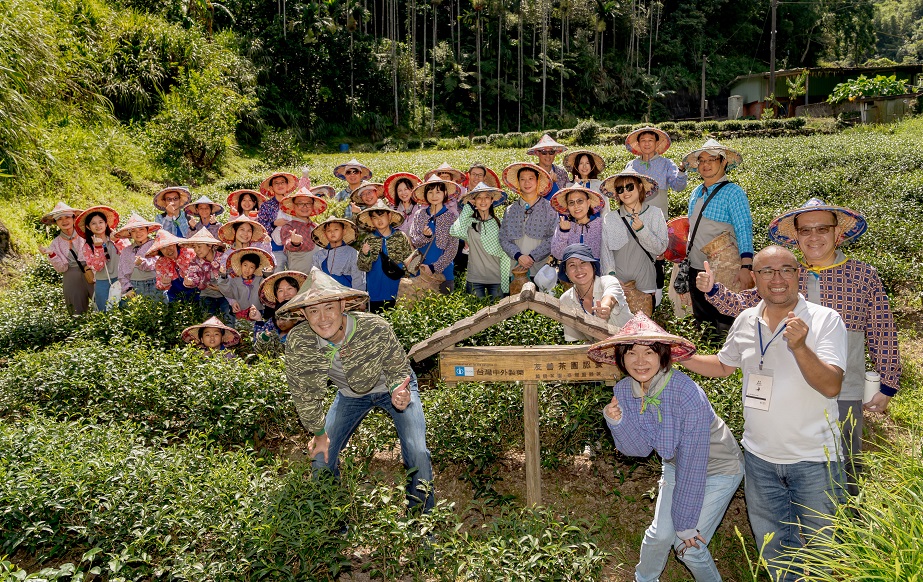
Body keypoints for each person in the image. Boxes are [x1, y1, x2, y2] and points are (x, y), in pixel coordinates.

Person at [698, 198, 901, 495]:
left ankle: (845, 533)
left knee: (844, 464)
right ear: (796, 237)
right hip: (789, 389)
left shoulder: (862, 275)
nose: (814, 236)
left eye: (822, 228)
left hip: (843, 389)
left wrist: (888, 384)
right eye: (805, 231)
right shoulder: (787, 274)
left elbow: (882, 329)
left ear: (837, 233)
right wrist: (713, 290)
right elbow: (744, 304)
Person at [682, 245, 847, 582]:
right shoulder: (745, 319)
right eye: (767, 271)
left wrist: (800, 347)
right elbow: (724, 365)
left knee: (823, 551)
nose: (777, 278)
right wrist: (678, 354)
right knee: (774, 551)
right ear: (753, 278)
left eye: (786, 269)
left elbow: (831, 385)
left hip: (816, 459)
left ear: (798, 273)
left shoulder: (824, 320)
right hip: (759, 459)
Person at [587, 313, 743, 582]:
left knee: (689, 547)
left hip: (719, 468)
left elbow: (693, 461)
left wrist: (685, 524)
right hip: (674, 465)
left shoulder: (687, 392)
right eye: (631, 353)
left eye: (649, 352)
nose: (640, 361)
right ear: (621, 358)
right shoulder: (625, 390)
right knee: (660, 535)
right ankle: (644, 579)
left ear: (663, 355)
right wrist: (617, 422)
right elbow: (639, 450)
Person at [282, 268, 434, 513]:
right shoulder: (300, 341)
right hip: (349, 395)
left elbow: (397, 367)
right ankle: (333, 522)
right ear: (302, 314)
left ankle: (423, 522)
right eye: (313, 310)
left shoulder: (374, 327)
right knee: (321, 458)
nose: (322, 318)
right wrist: (320, 434)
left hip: (390, 386)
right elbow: (305, 391)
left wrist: (399, 391)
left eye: (329, 307)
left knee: (417, 452)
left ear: (343, 304)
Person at [681, 139, 754, 334]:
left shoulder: (733, 192)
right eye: (701, 160)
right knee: (702, 319)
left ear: (723, 162)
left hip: (724, 269)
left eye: (711, 159)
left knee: (725, 317)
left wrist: (746, 266)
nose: (705, 164)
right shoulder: (696, 192)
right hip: (697, 266)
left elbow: (744, 228)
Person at [600, 168, 669, 316]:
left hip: (646, 283)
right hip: (619, 286)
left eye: (629, 186)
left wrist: (642, 230)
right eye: (620, 189)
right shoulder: (610, 218)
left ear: (640, 187)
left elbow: (660, 248)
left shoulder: (655, 214)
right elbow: (605, 251)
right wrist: (612, 278)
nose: (625, 192)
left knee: (644, 330)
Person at [557, 244, 632, 342]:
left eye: (583, 262)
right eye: (572, 265)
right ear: (566, 272)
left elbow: (610, 297)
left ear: (593, 266)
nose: (578, 269)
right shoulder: (565, 300)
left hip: (631, 347)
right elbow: (579, 339)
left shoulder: (608, 281)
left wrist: (605, 307)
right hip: (599, 352)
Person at [449, 182, 510, 299]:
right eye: (479, 198)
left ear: (492, 200)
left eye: (487, 197)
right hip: (475, 279)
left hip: (496, 279)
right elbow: (454, 231)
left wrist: (505, 284)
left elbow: (505, 255)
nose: (483, 201)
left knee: (498, 315)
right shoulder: (469, 222)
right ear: (474, 201)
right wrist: (468, 208)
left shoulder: (500, 223)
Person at [499, 162, 558, 279]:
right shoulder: (510, 210)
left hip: (541, 272)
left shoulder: (549, 208)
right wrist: (518, 256)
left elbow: (553, 237)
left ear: (537, 181)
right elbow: (503, 238)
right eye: (523, 179)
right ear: (518, 182)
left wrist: (532, 257)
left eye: (531, 178)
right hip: (516, 270)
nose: (527, 183)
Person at [356, 199, 413, 313]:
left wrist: (409, 284)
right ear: (371, 220)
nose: (379, 220)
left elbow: (410, 262)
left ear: (389, 215)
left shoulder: (400, 237)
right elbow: (363, 268)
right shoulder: (369, 239)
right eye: (375, 218)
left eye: (381, 215)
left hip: (398, 291)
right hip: (375, 292)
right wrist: (365, 254)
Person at [38, 202, 94, 314]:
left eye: (68, 217)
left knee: (104, 304)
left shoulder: (87, 234)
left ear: (74, 218)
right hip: (71, 275)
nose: (64, 221)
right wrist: (51, 254)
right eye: (60, 219)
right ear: (56, 222)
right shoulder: (55, 243)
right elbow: (61, 268)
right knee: (75, 311)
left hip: (92, 270)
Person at [409, 175, 460, 294]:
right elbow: (414, 240)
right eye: (430, 192)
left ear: (445, 193)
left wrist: (433, 267)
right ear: (426, 195)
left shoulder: (451, 217)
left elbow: (452, 249)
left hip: (444, 272)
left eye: (438, 192)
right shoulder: (419, 214)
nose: (434, 196)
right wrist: (425, 236)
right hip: (420, 270)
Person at [624, 126, 688, 218]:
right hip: (635, 217)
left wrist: (681, 171)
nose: (647, 144)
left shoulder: (667, 163)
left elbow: (678, 187)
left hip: (659, 217)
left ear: (657, 143)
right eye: (643, 140)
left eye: (650, 140)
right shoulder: (631, 165)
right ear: (638, 143)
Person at [77, 206, 126, 312]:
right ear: (88, 227)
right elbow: (97, 267)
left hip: (122, 279)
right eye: (93, 223)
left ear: (106, 223)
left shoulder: (117, 238)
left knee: (124, 309)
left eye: (100, 222)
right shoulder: (88, 246)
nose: (98, 226)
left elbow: (128, 256)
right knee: (104, 312)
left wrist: (117, 241)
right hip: (102, 282)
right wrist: (98, 248)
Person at [252, 270, 308, 358]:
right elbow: (259, 348)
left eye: (290, 289)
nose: (286, 294)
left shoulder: (309, 316)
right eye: (280, 291)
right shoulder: (274, 321)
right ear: (276, 296)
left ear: (298, 291)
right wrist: (258, 320)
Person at [178, 228, 229, 318]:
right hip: (207, 295)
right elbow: (192, 276)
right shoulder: (195, 262)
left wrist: (221, 288)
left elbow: (233, 277)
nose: (197, 250)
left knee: (228, 321)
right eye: (194, 247)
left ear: (209, 246)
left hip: (226, 295)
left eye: (199, 246)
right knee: (208, 322)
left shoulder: (224, 258)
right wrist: (189, 282)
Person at [216, 248, 274, 324]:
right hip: (240, 313)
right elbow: (227, 291)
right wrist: (223, 277)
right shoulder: (235, 281)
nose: (247, 269)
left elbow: (266, 287)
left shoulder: (259, 280)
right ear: (241, 265)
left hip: (257, 312)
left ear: (255, 269)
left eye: (251, 267)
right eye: (245, 265)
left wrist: (267, 274)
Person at [113, 213, 161, 302]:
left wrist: (143, 263)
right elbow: (122, 272)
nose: (138, 233)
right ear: (130, 233)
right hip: (134, 286)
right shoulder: (126, 250)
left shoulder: (155, 245)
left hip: (155, 283)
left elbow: (158, 263)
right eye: (134, 230)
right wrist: (127, 288)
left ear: (147, 230)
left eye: (141, 229)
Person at [550, 184, 605, 261]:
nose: (576, 206)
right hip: (572, 271)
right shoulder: (563, 226)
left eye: (580, 201)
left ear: (588, 203)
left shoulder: (601, 225)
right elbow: (558, 255)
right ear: (568, 207)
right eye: (571, 203)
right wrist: (564, 232)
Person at [256, 171, 298, 271]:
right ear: (271, 187)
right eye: (276, 183)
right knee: (276, 276)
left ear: (287, 185)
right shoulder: (266, 206)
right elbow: (260, 228)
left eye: (282, 182)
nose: (280, 185)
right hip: (275, 249)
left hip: (295, 248)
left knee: (296, 276)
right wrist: (274, 223)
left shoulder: (295, 203)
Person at [312, 216, 366, 291]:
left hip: (347, 294)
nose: (332, 233)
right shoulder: (318, 255)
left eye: (336, 229)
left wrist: (358, 296)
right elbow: (315, 279)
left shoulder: (352, 253)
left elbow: (358, 278)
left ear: (344, 231)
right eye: (328, 230)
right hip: (326, 295)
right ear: (325, 234)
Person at [280, 187, 326, 274]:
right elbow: (288, 244)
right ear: (294, 206)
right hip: (299, 277)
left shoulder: (316, 227)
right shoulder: (289, 226)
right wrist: (295, 243)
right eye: (300, 203)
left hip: (318, 277)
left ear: (312, 206)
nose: (305, 207)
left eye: (308, 203)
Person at [147, 229, 197, 302]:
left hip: (196, 294)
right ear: (160, 250)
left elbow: (203, 275)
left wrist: (193, 280)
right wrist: (164, 283)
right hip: (175, 297)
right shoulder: (160, 262)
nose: (168, 250)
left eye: (170, 245)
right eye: (163, 248)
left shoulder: (190, 253)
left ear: (175, 244)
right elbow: (159, 285)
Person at [526, 134, 569, 198]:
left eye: (551, 152)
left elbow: (569, 196)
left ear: (555, 153)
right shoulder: (529, 174)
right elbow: (527, 199)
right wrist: (547, 184)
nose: (548, 156)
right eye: (544, 152)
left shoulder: (562, 173)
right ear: (537, 153)